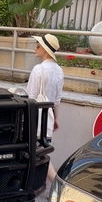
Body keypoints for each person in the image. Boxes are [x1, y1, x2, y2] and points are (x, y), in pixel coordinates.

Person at [27, 33, 64, 193]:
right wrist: (56, 118)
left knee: (37, 152)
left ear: (46, 49)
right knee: (41, 150)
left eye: (39, 45)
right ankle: (41, 184)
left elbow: (31, 97)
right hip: (48, 117)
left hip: (36, 116)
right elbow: (56, 99)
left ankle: (57, 186)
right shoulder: (59, 71)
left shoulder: (38, 69)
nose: (36, 48)